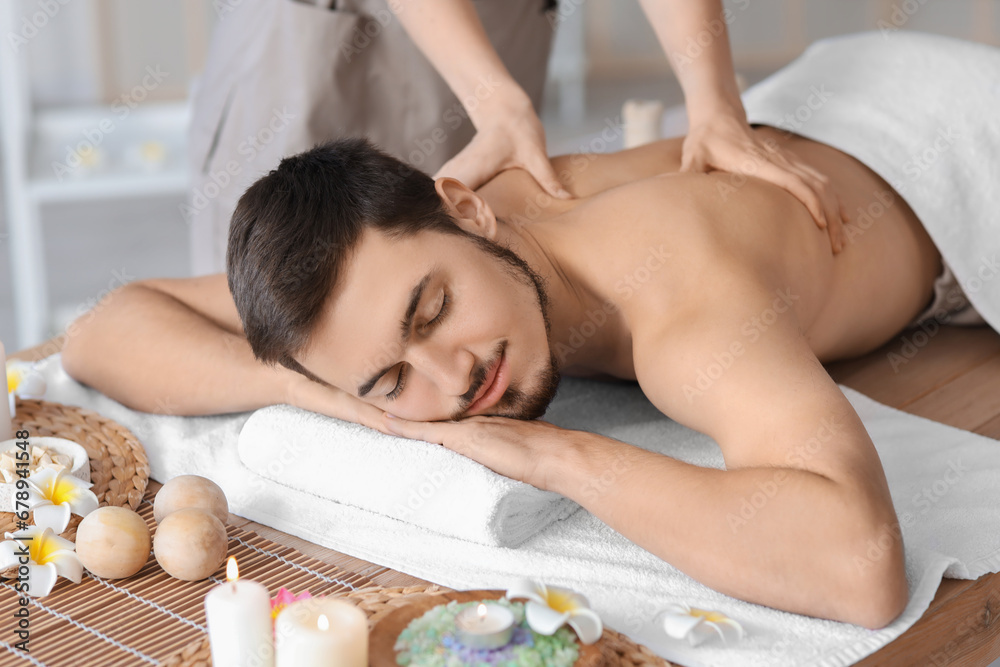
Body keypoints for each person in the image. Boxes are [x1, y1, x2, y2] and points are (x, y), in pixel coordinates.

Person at [63, 31, 999, 629]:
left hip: (955, 142)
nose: (453, 374)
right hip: (823, 102)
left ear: (466, 207)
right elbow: (101, 331)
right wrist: (314, 387)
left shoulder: (677, 295)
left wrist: (558, 458)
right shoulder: (375, 280)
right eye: (389, 380)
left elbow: (859, 564)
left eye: (430, 312)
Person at [187, 0, 845, 274]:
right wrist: (494, 102)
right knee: (279, 307)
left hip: (500, 24)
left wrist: (715, 104)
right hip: (323, 34)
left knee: (450, 273)